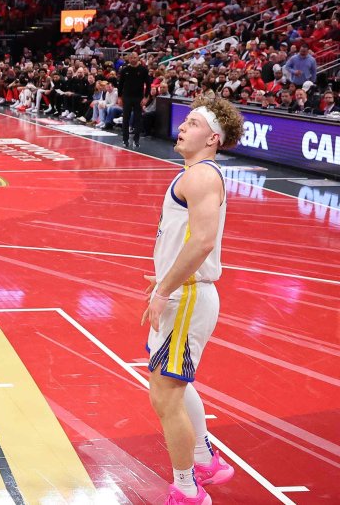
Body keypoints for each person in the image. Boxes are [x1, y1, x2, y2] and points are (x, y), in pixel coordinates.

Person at [143, 95, 244, 504]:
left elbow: (202, 242)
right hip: (181, 292)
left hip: (185, 298)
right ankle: (205, 461)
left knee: (165, 394)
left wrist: (165, 289)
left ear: (213, 138)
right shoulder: (193, 173)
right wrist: (163, 276)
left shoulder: (202, 176)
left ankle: (188, 490)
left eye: (193, 123)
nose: (182, 127)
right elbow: (184, 239)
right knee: (177, 387)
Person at [118, 52, 151, 148]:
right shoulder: (125, 70)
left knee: (138, 119)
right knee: (125, 119)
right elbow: (120, 84)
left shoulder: (143, 70)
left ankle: (136, 140)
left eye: (135, 57)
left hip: (138, 98)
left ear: (138, 58)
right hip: (127, 97)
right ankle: (125, 140)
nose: (133, 59)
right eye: (131, 57)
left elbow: (148, 84)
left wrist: (146, 97)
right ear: (129, 59)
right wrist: (119, 97)